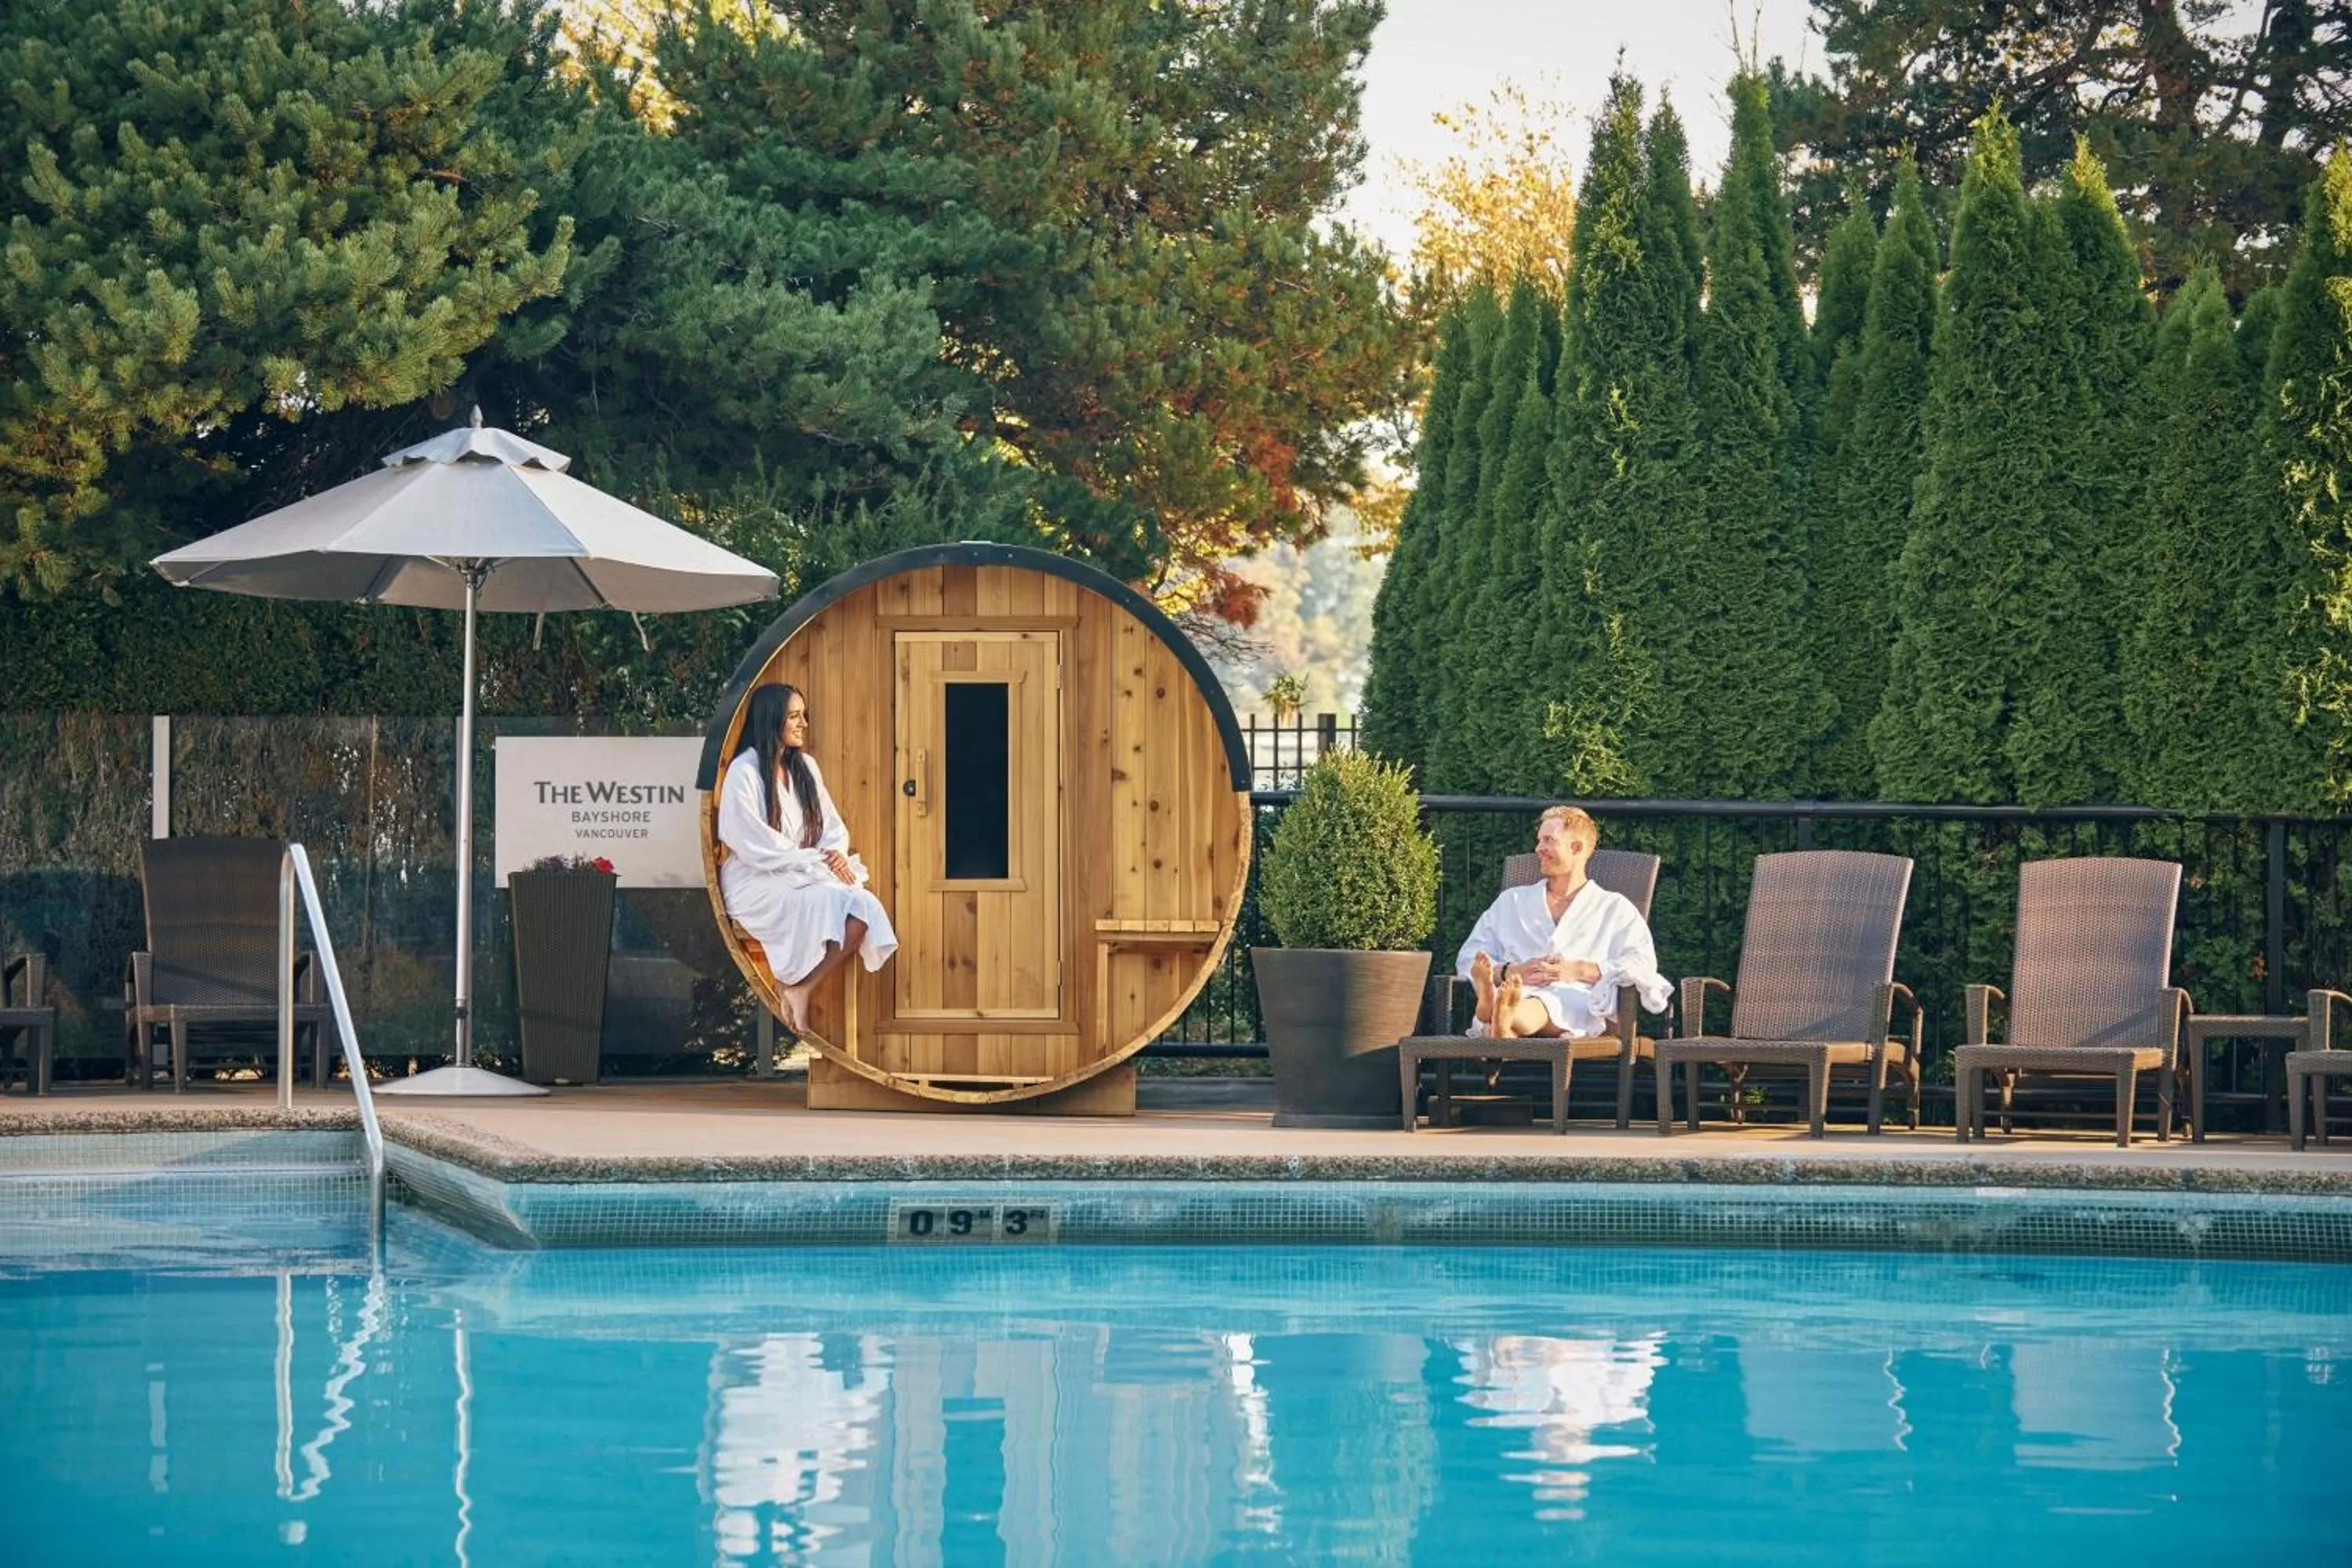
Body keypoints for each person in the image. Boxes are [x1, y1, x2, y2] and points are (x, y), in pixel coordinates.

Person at [717, 682, 898, 1033]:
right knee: (837, 899)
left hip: (803, 871)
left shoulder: (805, 767)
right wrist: (810, 860)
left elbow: (830, 824)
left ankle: (801, 989)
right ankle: (795, 985)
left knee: (863, 907)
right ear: (772, 721)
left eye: (804, 716)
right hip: (756, 879)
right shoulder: (746, 770)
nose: (803, 724)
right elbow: (748, 838)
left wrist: (835, 855)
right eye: (794, 717)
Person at [1460, 805, 1670, 1040]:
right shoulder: (1512, 901)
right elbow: (1469, 957)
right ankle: (1500, 1015)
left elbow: (1642, 965)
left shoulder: (1613, 908)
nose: (1539, 848)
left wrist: (1578, 970)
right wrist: (1511, 971)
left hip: (1580, 997)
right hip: (1518, 988)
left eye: (1548, 840)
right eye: (1539, 840)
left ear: (1577, 847)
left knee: (1548, 1003)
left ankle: (1493, 1008)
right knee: (1501, 1031)